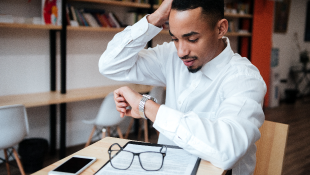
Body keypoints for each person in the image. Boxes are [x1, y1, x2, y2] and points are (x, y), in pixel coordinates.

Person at [99, 0, 267, 174]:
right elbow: (110, 65)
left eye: (192, 39)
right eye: (175, 39)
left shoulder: (243, 78)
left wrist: (147, 107)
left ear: (220, 29)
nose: (181, 51)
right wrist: (156, 18)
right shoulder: (171, 56)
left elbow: (226, 151)